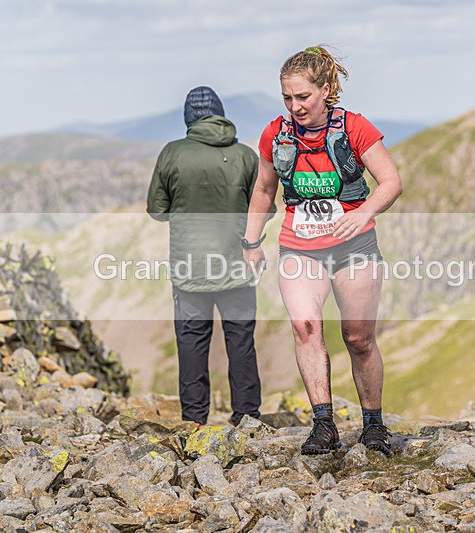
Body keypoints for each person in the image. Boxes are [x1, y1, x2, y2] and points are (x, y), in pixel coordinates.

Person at [242, 46, 403, 456]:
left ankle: (373, 425)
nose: (295, 106)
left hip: (355, 247)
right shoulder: (274, 135)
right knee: (306, 328)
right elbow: (263, 190)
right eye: (287, 98)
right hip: (300, 247)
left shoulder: (355, 127)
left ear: (326, 90)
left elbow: (390, 181)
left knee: (358, 338)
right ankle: (323, 424)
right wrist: (251, 243)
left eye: (303, 97)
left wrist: (362, 213)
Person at [147, 86, 269, 426]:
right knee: (241, 342)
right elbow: (266, 209)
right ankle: (246, 418)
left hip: (190, 268)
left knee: (191, 343)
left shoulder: (172, 153)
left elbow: (157, 210)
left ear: (188, 119)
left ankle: (195, 421)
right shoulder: (245, 156)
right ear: (220, 114)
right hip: (238, 265)